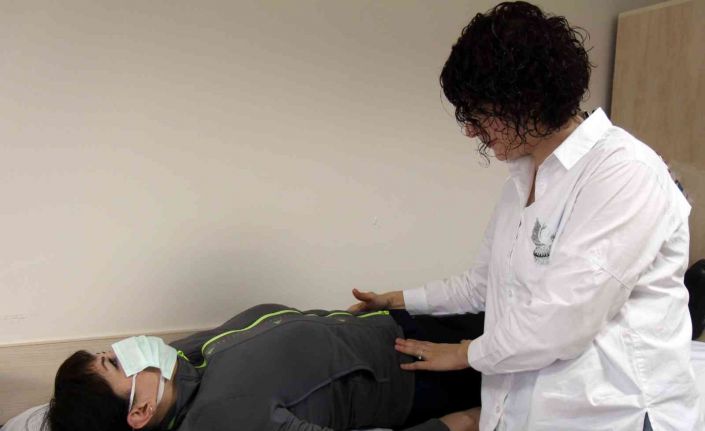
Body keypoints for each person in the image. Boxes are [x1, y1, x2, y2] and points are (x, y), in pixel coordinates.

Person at [348, 2, 702, 430]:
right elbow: (484, 284)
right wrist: (399, 299)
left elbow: (563, 319)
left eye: (479, 113)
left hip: (611, 415)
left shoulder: (624, 171)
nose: (471, 130)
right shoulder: (521, 182)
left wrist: (464, 353)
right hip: (527, 409)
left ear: (526, 101)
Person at [46, 304, 483, 431]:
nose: (123, 350)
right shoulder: (220, 421)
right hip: (421, 375)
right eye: (113, 363)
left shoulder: (178, 366)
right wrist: (459, 423)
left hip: (398, 325)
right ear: (139, 412)